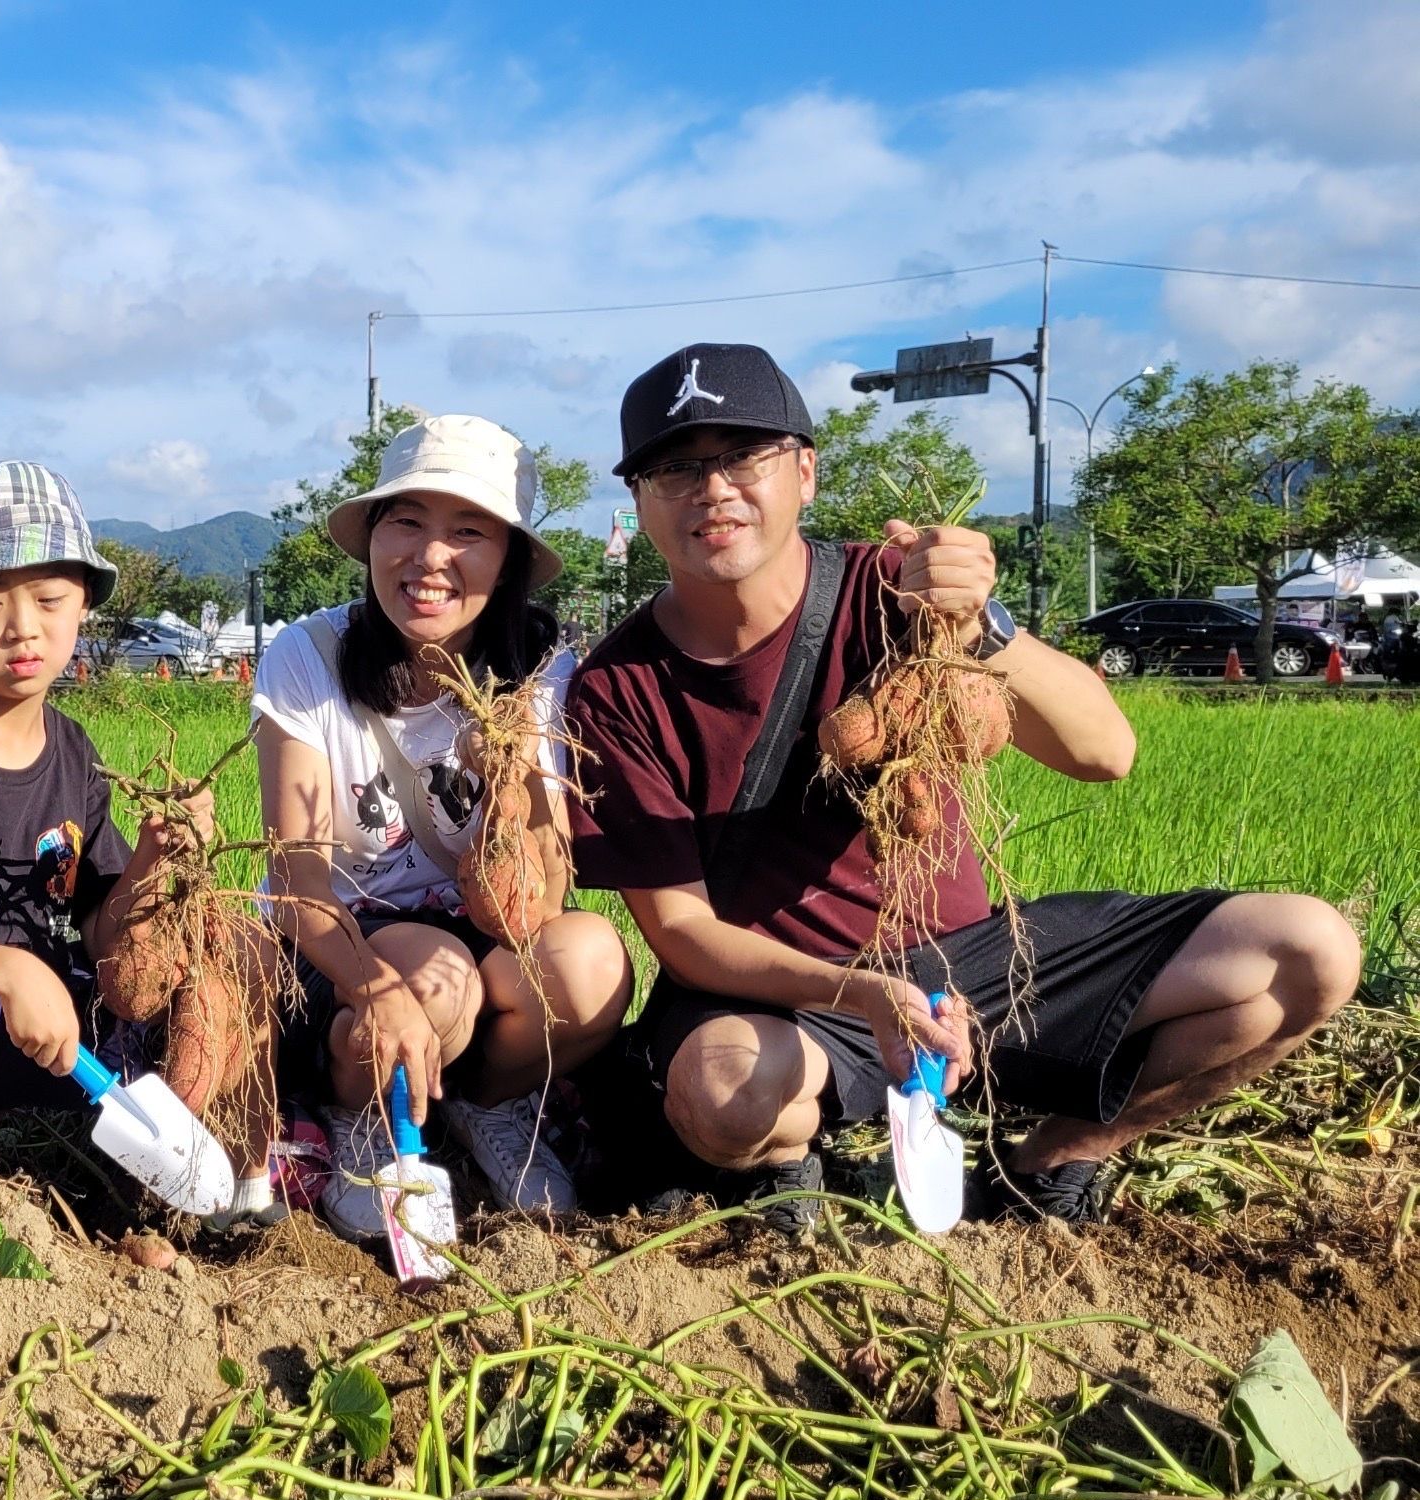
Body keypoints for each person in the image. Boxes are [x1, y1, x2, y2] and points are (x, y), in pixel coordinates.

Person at [568, 343, 1362, 1230]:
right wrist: (862, 994)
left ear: (806, 473)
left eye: (744, 456)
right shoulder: (616, 685)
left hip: (975, 962)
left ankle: (1054, 1158)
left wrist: (986, 630)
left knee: (1309, 951)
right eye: (676, 467)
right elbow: (680, 933)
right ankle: (789, 1169)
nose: (713, 489)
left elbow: (1106, 752)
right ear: (639, 503)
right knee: (725, 1091)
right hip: (791, 995)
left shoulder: (899, 589)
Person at [254, 414, 633, 1236]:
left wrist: (510, 784)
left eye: (468, 531)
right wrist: (376, 988)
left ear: (508, 562)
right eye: (407, 522)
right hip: (340, 937)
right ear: (372, 539)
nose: (430, 558)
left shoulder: (540, 671)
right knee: (434, 972)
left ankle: (484, 1106)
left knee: (593, 960)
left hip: (477, 926)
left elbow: (536, 905)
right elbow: (296, 884)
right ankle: (366, 1116)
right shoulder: (307, 657)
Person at [0, 463, 245, 1201]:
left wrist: (152, 860)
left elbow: (96, 930)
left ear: (83, 602)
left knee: (218, 985)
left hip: (58, 1028)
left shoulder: (74, 749)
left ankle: (218, 1166)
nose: (23, 627)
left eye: (50, 599)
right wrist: (6, 969)